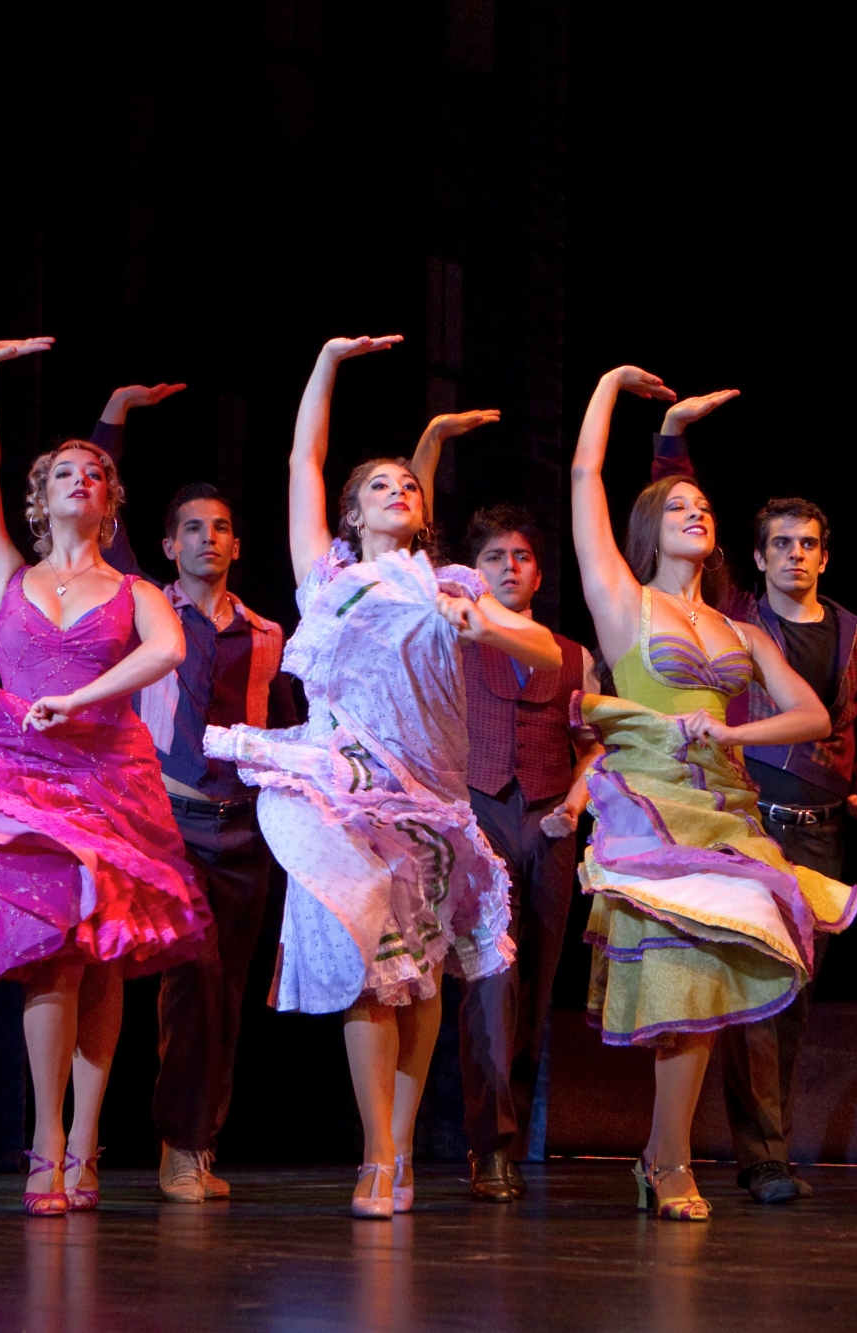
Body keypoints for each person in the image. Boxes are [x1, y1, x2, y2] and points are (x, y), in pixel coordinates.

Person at [202, 334, 560, 1218]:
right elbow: (303, 457)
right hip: (347, 787)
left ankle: (398, 1151)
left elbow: (545, 647)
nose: (397, 491)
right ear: (353, 513)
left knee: (422, 975)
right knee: (369, 970)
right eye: (378, 486)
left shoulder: (447, 584)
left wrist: (485, 628)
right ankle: (378, 1154)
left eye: (409, 483)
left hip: (431, 799)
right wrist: (324, 362)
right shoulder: (327, 578)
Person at [0, 337, 209, 1216]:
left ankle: (87, 1140)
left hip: (111, 777)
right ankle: (45, 1138)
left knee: (104, 964)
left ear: (110, 498)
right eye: (64, 473)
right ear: (40, 498)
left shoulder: (135, 592)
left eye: (94, 471)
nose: (80, 478)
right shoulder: (3, 572)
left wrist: (81, 693)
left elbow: (168, 651)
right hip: (26, 781)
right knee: (49, 956)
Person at [568, 365, 857, 1222]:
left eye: (705, 508)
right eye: (680, 506)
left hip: (726, 805)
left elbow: (810, 713)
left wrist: (735, 733)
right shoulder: (622, 599)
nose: (699, 513)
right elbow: (585, 476)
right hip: (651, 799)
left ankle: (666, 1154)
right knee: (687, 977)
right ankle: (671, 1160)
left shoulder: (737, 626)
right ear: (650, 526)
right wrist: (612, 387)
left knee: (712, 978)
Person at [646, 395, 857, 1204]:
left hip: (823, 829)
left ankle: (767, 1148)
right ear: (755, 557)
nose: (796, 554)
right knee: (749, 986)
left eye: (808, 544)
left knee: (792, 993)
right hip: (748, 821)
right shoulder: (737, 618)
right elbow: (675, 524)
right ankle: (762, 1159)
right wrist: (672, 440)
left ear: (826, 555)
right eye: (781, 544)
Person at [78, 383, 301, 1203]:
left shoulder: (269, 632)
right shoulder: (144, 607)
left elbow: (282, 731)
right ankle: (159, 1144)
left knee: (223, 993)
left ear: (237, 544)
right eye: (192, 529)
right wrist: (114, 421)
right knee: (188, 978)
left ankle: (197, 1142)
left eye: (221, 527)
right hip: (166, 818)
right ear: (168, 546)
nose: (208, 538)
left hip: (242, 826)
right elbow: (102, 519)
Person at [427, 502, 599, 1203]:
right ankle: (489, 1146)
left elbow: (593, 745)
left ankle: (515, 1136)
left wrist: (576, 803)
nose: (508, 567)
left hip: (551, 823)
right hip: (482, 813)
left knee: (536, 988)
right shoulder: (461, 634)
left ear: (537, 571)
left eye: (520, 556)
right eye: (494, 557)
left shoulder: (573, 654)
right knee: (491, 984)